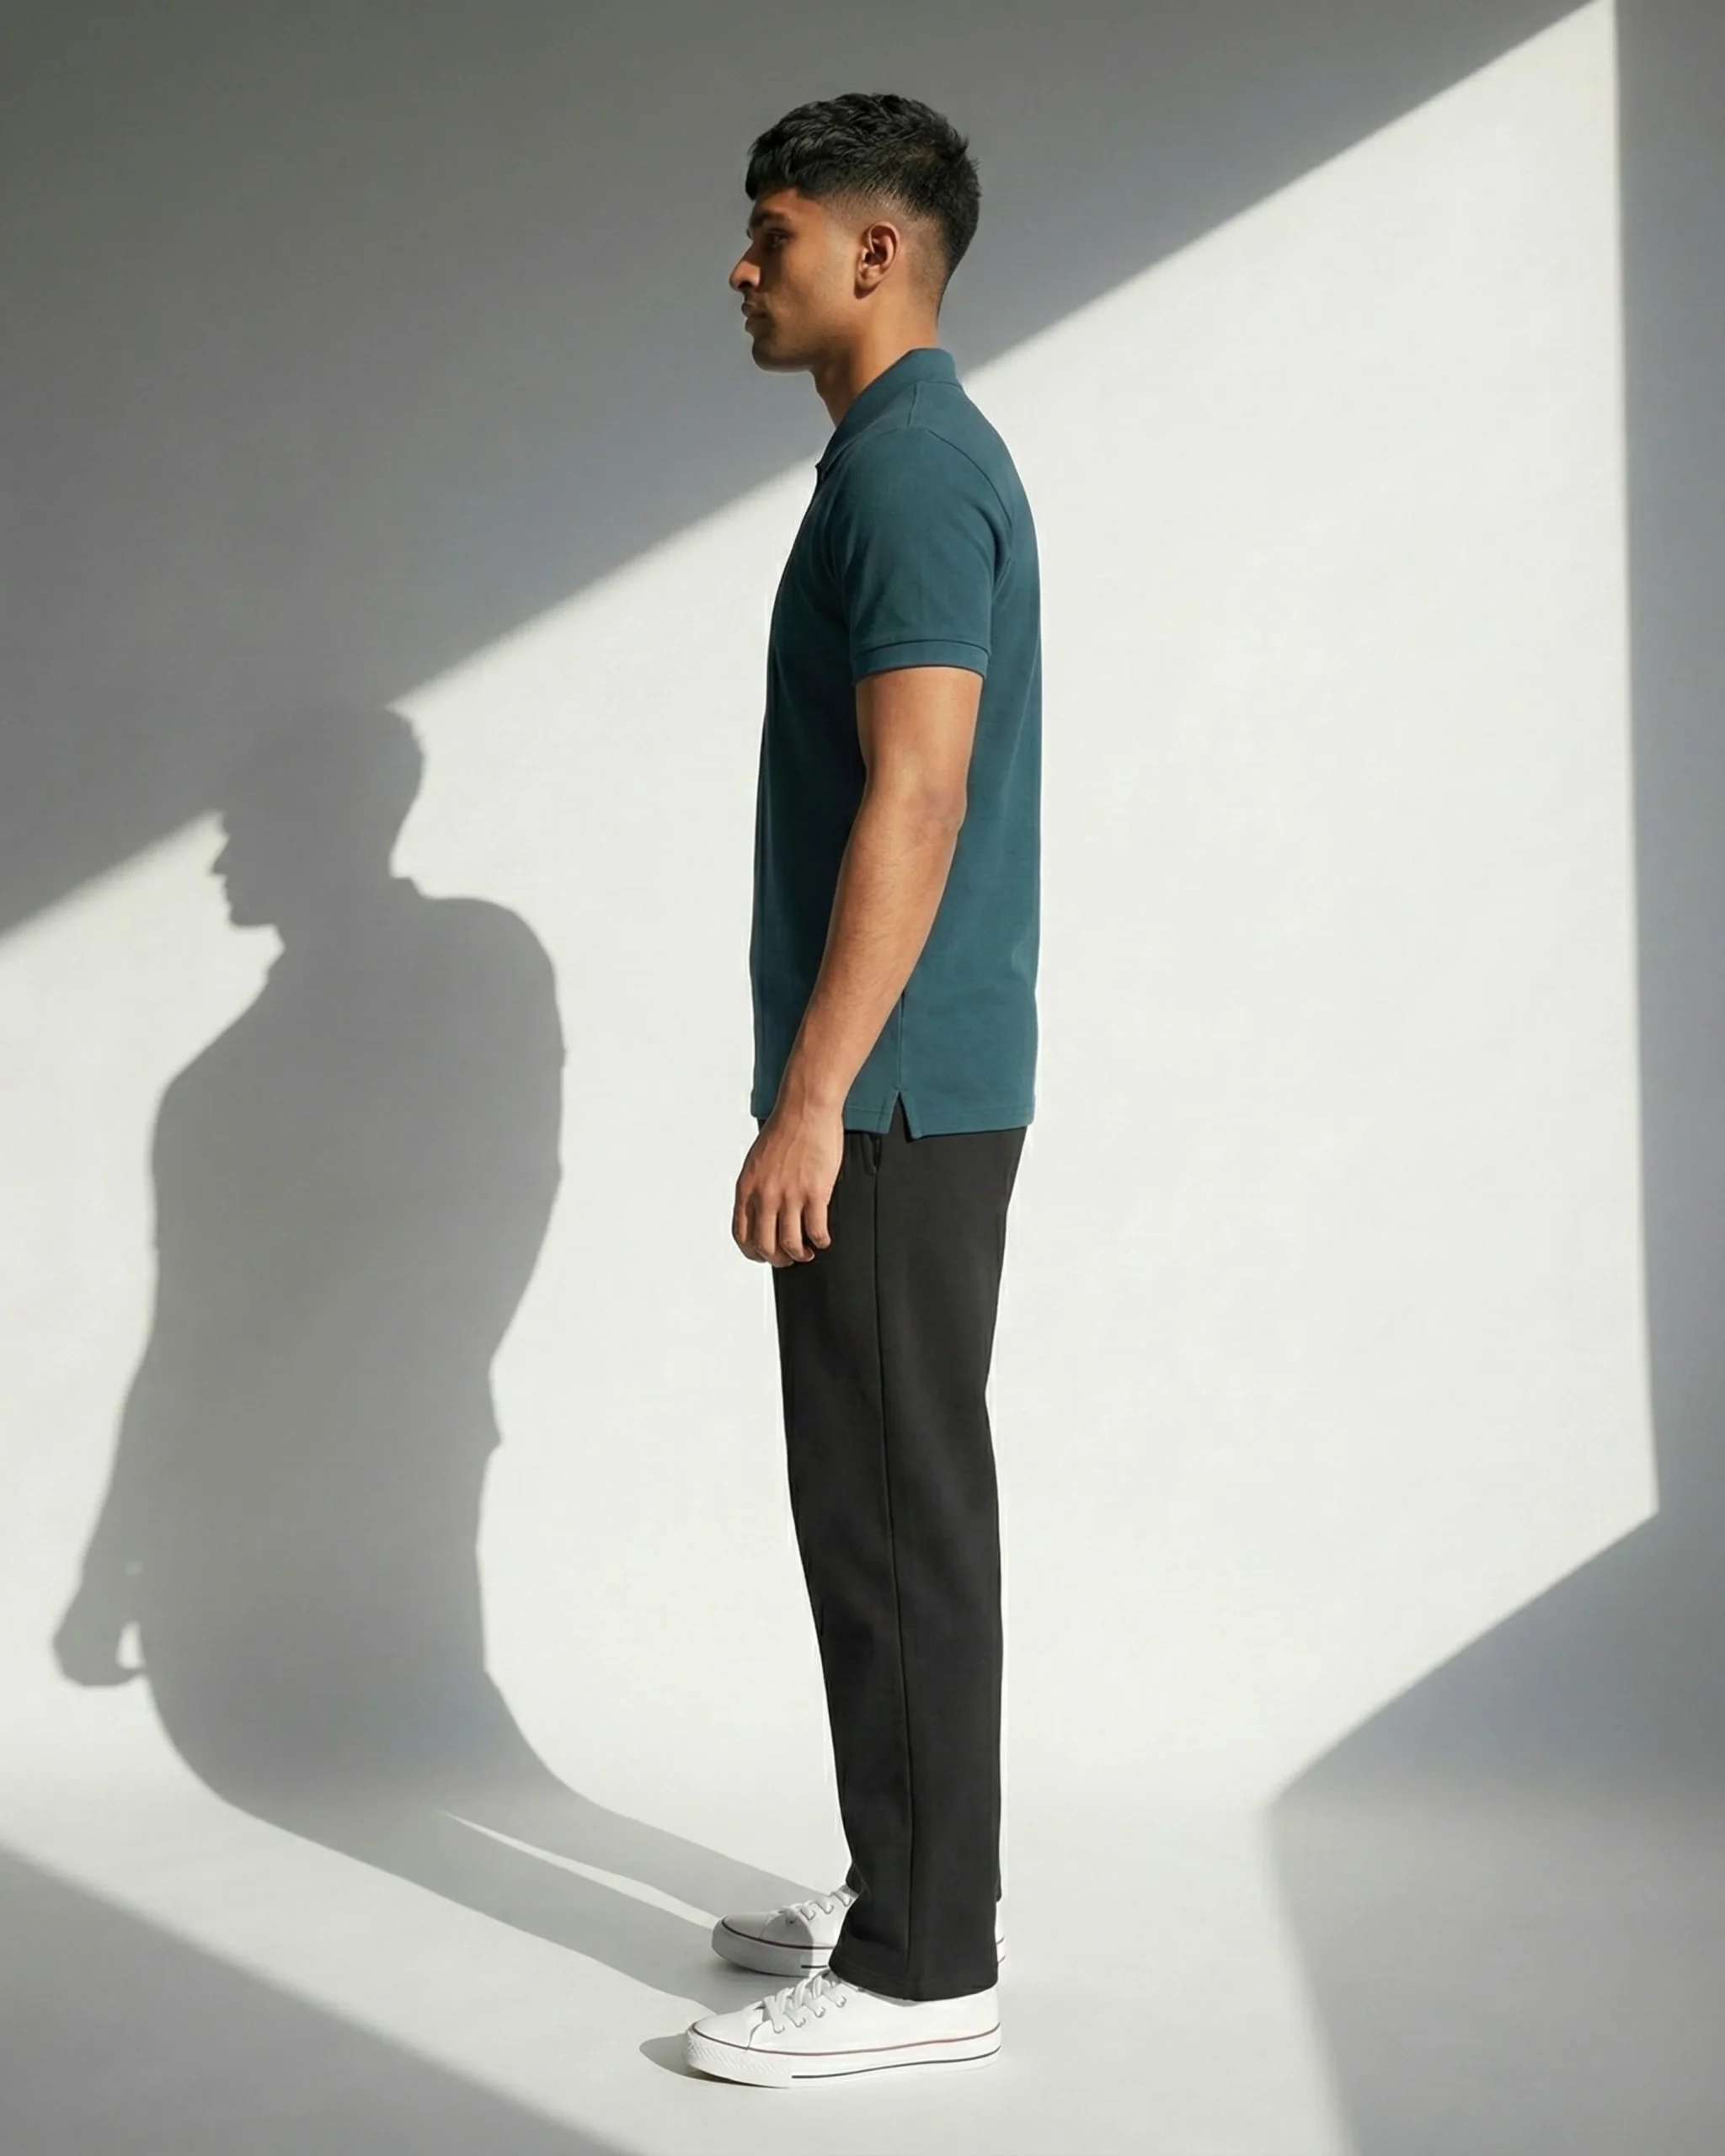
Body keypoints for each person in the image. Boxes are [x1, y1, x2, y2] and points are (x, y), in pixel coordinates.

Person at [684, 90, 1040, 2088]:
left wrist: (810, 1096)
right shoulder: (894, 460)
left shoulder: (910, 471)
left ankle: (920, 1965)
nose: (741, 268)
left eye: (774, 231)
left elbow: (919, 792)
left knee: (892, 1512)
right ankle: (908, 1878)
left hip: (891, 1095)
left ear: (874, 250)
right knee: (881, 1498)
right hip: (904, 1081)